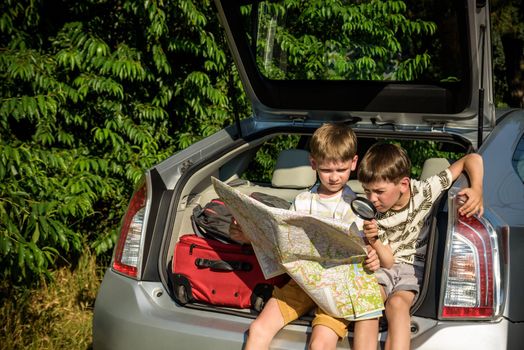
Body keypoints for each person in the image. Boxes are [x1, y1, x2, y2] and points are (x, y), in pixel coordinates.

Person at [229, 123, 394, 350]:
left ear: (354, 163)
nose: (334, 177)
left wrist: (372, 256)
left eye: (341, 170)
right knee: (258, 330)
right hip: (302, 283)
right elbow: (282, 242)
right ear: (313, 164)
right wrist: (249, 236)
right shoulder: (302, 202)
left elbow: (369, 247)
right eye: (327, 170)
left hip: (338, 290)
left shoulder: (357, 206)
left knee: (319, 345)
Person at [358, 143, 484, 350]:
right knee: (367, 301)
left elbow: (472, 159)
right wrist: (373, 241)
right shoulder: (372, 213)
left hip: (414, 269)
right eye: (367, 191)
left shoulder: (426, 190)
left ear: (404, 184)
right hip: (385, 265)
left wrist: (477, 188)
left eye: (379, 191)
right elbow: (387, 261)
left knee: (397, 305)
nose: (372, 199)